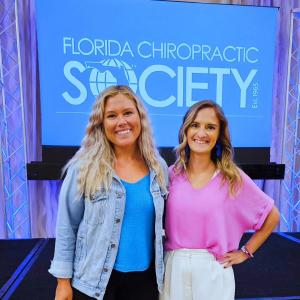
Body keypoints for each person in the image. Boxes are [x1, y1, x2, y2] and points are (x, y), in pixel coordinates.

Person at [49, 85, 168, 300]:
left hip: (145, 283)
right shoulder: (83, 168)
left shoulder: (158, 167)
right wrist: (62, 283)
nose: (121, 121)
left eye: (128, 113)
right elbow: (67, 227)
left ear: (140, 118)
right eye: (112, 115)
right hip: (94, 283)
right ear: (101, 124)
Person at [161, 100, 280, 300]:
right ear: (185, 130)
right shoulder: (170, 174)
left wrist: (246, 251)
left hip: (213, 270)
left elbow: (272, 215)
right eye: (195, 125)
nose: (201, 133)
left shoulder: (231, 177)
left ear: (219, 135)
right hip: (173, 266)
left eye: (210, 127)